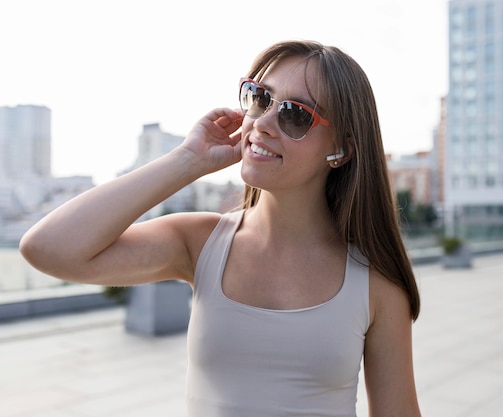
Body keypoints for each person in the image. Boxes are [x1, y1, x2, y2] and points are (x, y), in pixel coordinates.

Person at [20, 40, 422, 417]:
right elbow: (48, 248)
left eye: (295, 114)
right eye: (260, 98)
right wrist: (187, 161)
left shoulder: (375, 283)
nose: (262, 122)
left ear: (341, 149)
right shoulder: (199, 243)